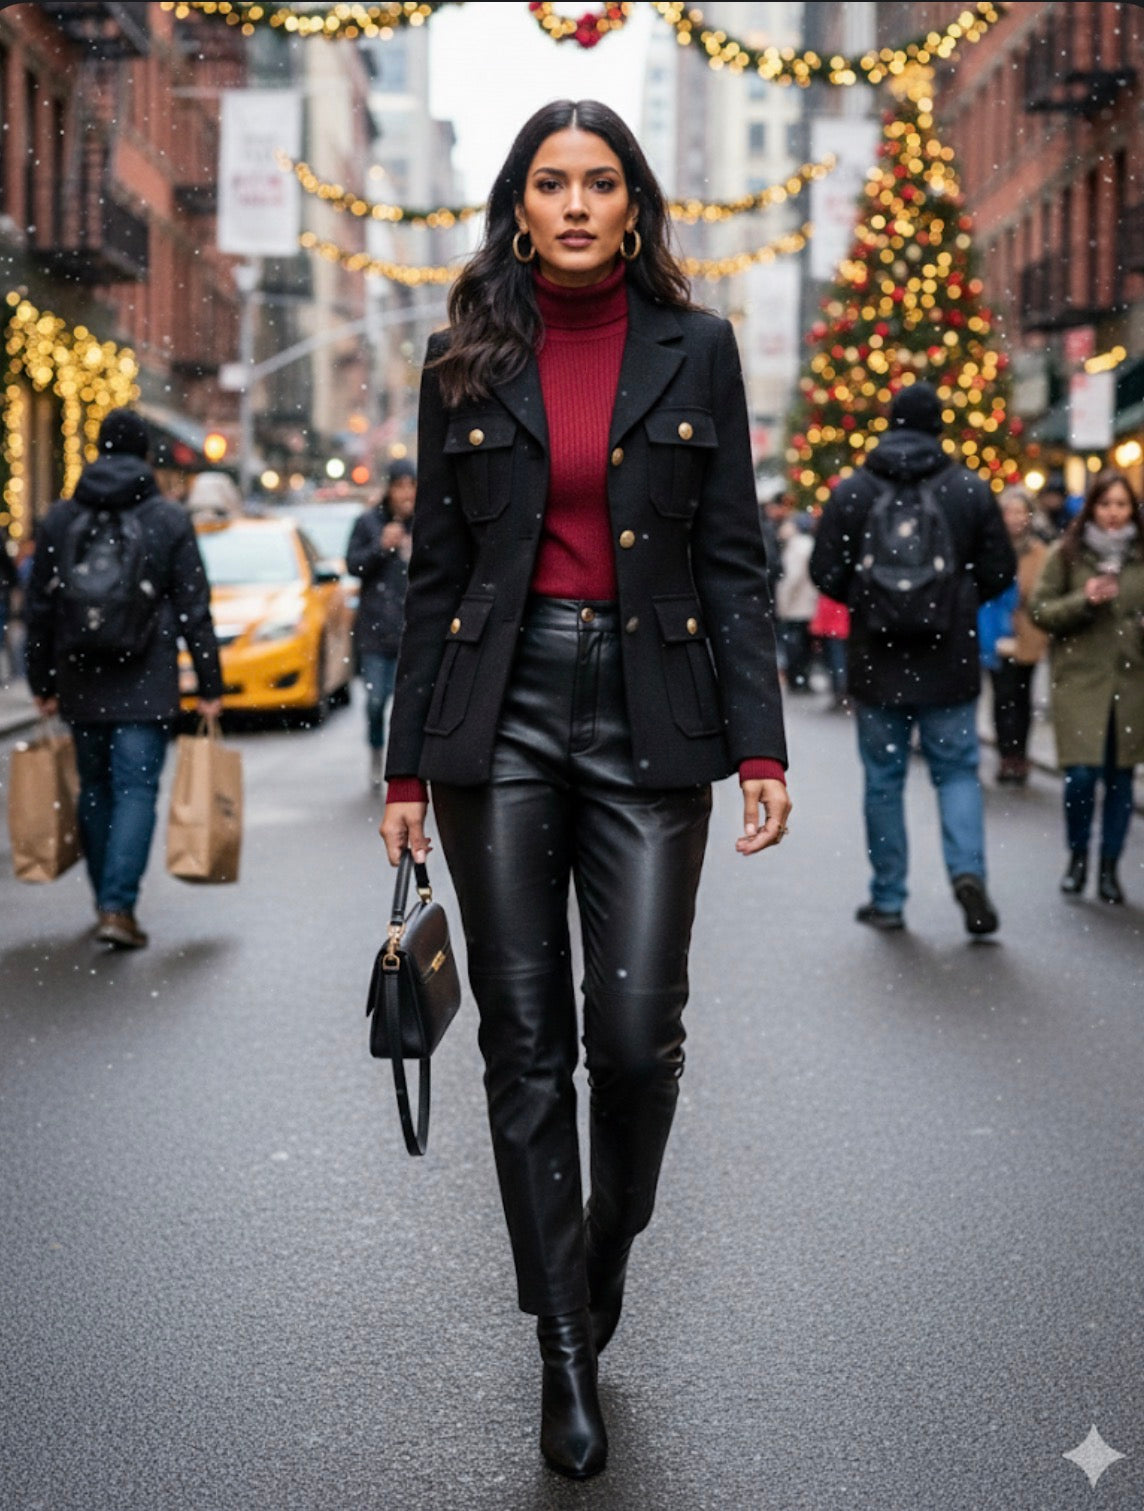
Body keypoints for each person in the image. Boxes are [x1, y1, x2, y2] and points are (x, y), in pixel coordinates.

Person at [379, 100, 790, 1480]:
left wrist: (762, 746)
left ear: (631, 205)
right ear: (519, 204)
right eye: (549, 181)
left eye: (597, 181)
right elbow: (435, 576)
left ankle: (606, 1239)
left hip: (651, 710)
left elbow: (732, 556)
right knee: (524, 1044)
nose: (571, 202)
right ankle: (564, 1339)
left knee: (633, 1031)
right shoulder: (462, 360)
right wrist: (400, 763)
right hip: (493, 718)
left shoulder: (702, 348)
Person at [810, 380, 1015, 935]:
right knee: (956, 773)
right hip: (949, 658)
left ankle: (889, 898)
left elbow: (823, 570)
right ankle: (967, 872)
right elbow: (1001, 569)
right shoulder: (968, 489)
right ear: (938, 426)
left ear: (891, 422)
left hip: (877, 659)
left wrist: (869, 599)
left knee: (883, 780)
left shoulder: (855, 490)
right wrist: (956, 599)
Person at [24, 408, 222, 948]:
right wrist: (209, 684)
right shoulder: (167, 518)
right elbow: (194, 608)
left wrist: (40, 681)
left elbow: (39, 607)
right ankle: (118, 906)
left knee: (95, 788)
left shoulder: (61, 518)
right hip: (146, 675)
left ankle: (104, 900)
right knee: (136, 788)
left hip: (79, 673)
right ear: (144, 454)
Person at [1029, 469, 1144, 904]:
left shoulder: (1140, 556)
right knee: (1080, 777)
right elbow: (1040, 610)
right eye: (1105, 504)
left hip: (1132, 683)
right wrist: (1084, 600)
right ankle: (1078, 855)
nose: (1113, 514)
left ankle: (1110, 867)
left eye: (1121, 505)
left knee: (1120, 780)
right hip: (1081, 682)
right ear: (1091, 507)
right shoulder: (1067, 554)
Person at [346, 460, 416, 790]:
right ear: (389, 489)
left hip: (412, 632)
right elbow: (354, 565)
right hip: (375, 631)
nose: (406, 493)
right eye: (400, 485)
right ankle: (376, 748)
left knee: (409, 708)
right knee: (376, 701)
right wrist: (380, 547)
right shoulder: (368, 522)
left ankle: (404, 770)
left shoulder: (428, 523)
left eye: (411, 486)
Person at [976, 485, 1048, 784]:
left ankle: (1020, 753)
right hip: (998, 632)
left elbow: (1043, 589)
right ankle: (1007, 753)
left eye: (1020, 511)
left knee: (1022, 696)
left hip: (1028, 632)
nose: (1015, 518)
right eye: (1009, 511)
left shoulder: (1040, 551)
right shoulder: (990, 548)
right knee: (1002, 695)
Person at [774, 510, 817, 691]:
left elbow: (791, 578)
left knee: (795, 645)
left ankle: (798, 679)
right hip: (808, 603)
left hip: (797, 604)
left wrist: (782, 604)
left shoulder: (796, 547)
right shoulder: (808, 544)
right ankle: (802, 678)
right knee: (803, 645)